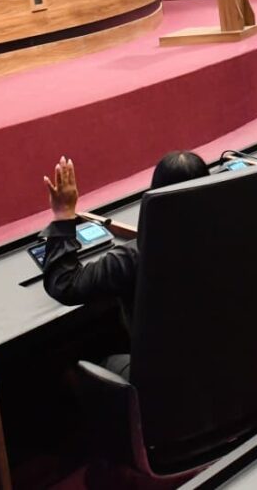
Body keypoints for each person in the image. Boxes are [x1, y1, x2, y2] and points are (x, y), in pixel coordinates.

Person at [41, 153, 210, 376]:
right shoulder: (238, 233)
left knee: (70, 365)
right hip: (230, 368)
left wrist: (63, 215)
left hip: (168, 382)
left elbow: (64, 284)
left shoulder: (134, 256)